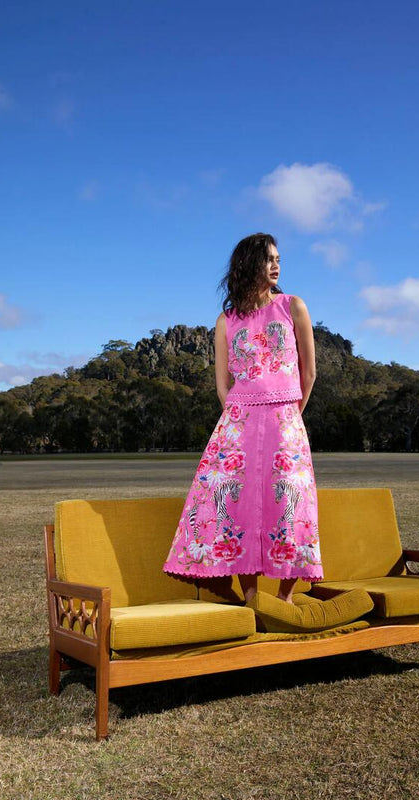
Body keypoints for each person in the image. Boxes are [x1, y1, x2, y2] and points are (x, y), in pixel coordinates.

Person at [163, 232, 323, 603]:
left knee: (291, 502)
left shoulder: (293, 306)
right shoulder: (226, 320)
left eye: (278, 258)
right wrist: (242, 416)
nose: (276, 265)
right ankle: (251, 600)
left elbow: (309, 373)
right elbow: (222, 385)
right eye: (268, 258)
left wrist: (289, 416)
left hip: (285, 420)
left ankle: (283, 600)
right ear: (248, 264)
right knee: (234, 505)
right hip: (238, 424)